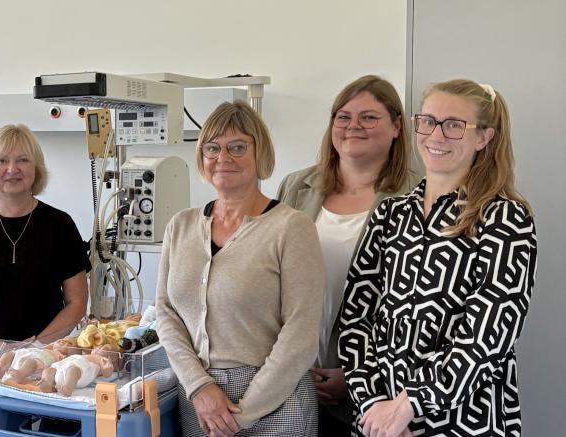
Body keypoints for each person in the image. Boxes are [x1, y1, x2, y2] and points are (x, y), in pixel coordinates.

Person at [339, 79, 537, 437]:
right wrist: (373, 406)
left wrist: (409, 405)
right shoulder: (389, 215)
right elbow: (356, 318)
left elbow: (487, 336)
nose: (436, 135)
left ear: (484, 137)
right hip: (377, 423)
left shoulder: (505, 219)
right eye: (427, 121)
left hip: (464, 420)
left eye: (454, 125)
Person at [156, 100, 325, 437]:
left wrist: (242, 415)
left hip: (277, 403)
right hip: (200, 402)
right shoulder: (181, 226)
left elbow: (301, 334)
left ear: (259, 153)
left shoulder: (291, 228)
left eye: (237, 147)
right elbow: (166, 312)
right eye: (212, 148)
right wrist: (199, 387)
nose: (223, 157)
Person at [276, 75, 420, 433]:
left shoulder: (420, 195)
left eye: (369, 117)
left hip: (379, 391)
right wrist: (293, 366)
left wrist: (356, 376)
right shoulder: (295, 187)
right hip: (295, 379)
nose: (353, 126)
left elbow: (418, 307)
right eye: (343, 117)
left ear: (397, 127)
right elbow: (271, 281)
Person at [0, 124, 90, 425]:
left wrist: (34, 349)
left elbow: (76, 302)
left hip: (43, 363)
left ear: (36, 168)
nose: (12, 169)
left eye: (22, 160)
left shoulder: (60, 226)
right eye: (2, 161)